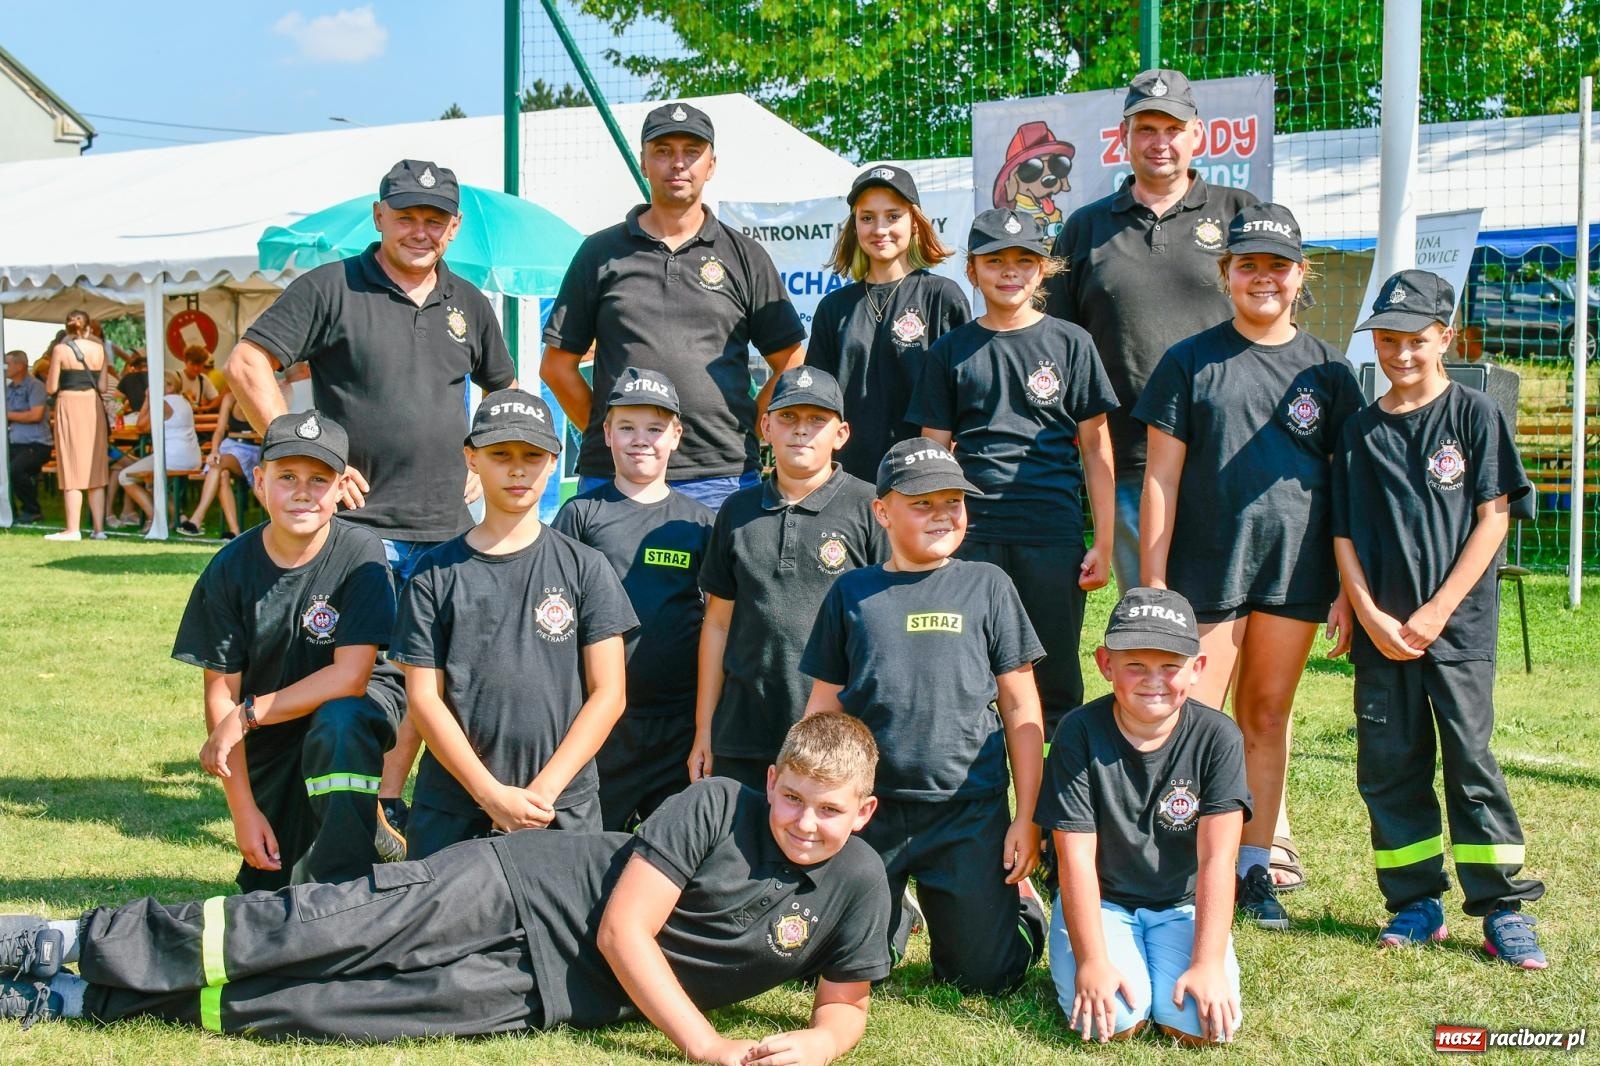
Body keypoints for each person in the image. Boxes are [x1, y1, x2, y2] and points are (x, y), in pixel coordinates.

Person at [0, 714, 893, 1061]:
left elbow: (844, 1007)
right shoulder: (718, 804)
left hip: (552, 992)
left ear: (863, 813)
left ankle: (79, 1002)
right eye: (793, 798)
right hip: (517, 887)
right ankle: (65, 941)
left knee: (331, 1009)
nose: (805, 822)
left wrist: (817, 1047)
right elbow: (625, 932)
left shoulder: (860, 883)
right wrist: (705, 1046)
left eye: (829, 810)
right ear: (771, 781)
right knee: (317, 927)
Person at [223, 158, 518, 844]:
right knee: (350, 681)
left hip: (447, 527)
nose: (420, 230)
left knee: (429, 674)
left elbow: (503, 389)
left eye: (434, 220)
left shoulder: (469, 303)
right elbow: (246, 363)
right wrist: (306, 456)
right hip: (359, 529)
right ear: (379, 217)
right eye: (406, 216)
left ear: (453, 227)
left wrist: (485, 455)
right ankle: (316, 810)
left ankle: (386, 803)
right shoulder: (332, 287)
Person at [1135, 204, 1362, 929]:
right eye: (1248, 265)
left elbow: (1347, 483)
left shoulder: (1329, 369)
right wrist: (1153, 583)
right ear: (1225, 273)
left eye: (1278, 266)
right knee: (1191, 719)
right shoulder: (1189, 361)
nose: (1263, 278)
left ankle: (1252, 864)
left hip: (1295, 573)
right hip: (1204, 572)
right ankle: (1177, 863)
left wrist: (1346, 588)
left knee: (1265, 715)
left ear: (1301, 275)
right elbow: (1160, 478)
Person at [1333, 269, 1547, 968]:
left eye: (1415, 340)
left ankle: (1501, 907)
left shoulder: (1474, 415)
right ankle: (1415, 903)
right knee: (1390, 768)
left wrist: (1437, 610)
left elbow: (1494, 518)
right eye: (1387, 340)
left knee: (1469, 761)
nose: (1400, 353)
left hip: (1456, 631)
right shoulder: (1359, 431)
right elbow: (1342, 534)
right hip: (1383, 637)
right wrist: (1368, 612)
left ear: (1444, 338)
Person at [801, 438, 1046, 993]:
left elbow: (1021, 705)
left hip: (967, 810)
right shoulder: (851, 592)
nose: (942, 515)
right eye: (922, 503)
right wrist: (813, 802)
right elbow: (823, 708)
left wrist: (1027, 816)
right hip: (871, 812)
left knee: (983, 979)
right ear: (882, 511)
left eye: (952, 502)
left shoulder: (988, 585)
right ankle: (892, 913)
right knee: (841, 970)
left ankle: (1019, 910)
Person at [391, 389, 637, 858]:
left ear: (553, 462)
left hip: (561, 805)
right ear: (472, 459)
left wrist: (544, 793)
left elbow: (610, 693)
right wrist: (489, 795)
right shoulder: (433, 573)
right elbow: (423, 698)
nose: (518, 469)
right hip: (454, 807)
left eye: (532, 456)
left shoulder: (586, 567)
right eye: (500, 455)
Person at [171, 411, 405, 891]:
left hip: (351, 708)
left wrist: (247, 715)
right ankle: (361, 827)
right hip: (271, 729)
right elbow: (220, 694)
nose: (303, 492)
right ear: (259, 481)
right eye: (287, 477)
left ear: (342, 489)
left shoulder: (360, 552)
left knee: (339, 723)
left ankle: (348, 882)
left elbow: (351, 677)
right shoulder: (229, 569)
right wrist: (243, 812)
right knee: (272, 887)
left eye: (319, 479)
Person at [1045, 69, 1259, 593]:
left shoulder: (1241, 212)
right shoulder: (1085, 228)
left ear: (1197, 135)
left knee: (1229, 612)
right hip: (1129, 459)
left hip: (1231, 452)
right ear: (1124, 136)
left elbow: (1279, 331)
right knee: (1149, 612)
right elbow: (1056, 345)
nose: (1159, 142)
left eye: (1172, 129)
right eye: (1145, 129)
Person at [908, 208, 1117, 738]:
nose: (1010, 271)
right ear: (972, 271)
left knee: (1055, 682)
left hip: (1052, 535)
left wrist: (1104, 541)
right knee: (970, 676)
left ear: (1043, 269)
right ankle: (980, 789)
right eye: (995, 260)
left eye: (1024, 260)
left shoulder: (1072, 343)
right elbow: (932, 456)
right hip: (972, 535)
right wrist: (929, 535)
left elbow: (1097, 449)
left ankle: (1053, 791)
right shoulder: (950, 351)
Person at [540, 102, 807, 510]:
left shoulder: (745, 256)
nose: (678, 163)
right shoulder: (599, 253)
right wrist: (611, 432)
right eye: (663, 151)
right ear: (643, 163)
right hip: (615, 477)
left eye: (691, 152)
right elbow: (556, 367)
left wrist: (748, 428)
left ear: (711, 165)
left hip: (721, 477)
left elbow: (790, 361)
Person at [1038, 587, 1249, 1045]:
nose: (1153, 680)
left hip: (1181, 906)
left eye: (1170, 666)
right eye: (1135, 664)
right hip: (1103, 903)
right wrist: (1093, 961)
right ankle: (1086, 947)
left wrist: (1207, 963)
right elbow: (1075, 858)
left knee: (1200, 1027)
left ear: (1197, 668)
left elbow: (1218, 859)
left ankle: (1167, 963)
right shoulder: (1078, 732)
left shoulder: (1219, 737)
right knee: (1116, 1020)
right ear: (1105, 664)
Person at [689, 367, 888, 790]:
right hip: (743, 730)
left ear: (841, 434)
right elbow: (717, 624)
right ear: (766, 427)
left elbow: (886, 628)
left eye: (817, 419)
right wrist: (705, 728)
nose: (802, 430)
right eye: (788, 417)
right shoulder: (736, 511)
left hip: (835, 734)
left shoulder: (870, 507)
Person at [553, 368, 717, 831]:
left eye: (654, 428)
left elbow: (718, 620)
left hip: (678, 723)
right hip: (602, 724)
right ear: (606, 434)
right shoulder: (581, 515)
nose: (640, 440)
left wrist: (704, 724)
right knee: (590, 852)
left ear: (676, 436)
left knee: (676, 852)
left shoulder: (699, 523)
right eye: (626, 427)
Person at [806, 164, 969, 481]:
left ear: (915, 223)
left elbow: (964, 398)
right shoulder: (833, 308)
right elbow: (817, 402)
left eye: (893, 216)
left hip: (921, 481)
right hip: (845, 479)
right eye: (867, 218)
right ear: (854, 227)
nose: (880, 229)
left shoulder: (942, 297)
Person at [179, 384, 285, 539]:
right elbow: (220, 430)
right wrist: (214, 450)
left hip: (252, 449)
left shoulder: (263, 397)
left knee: (218, 464)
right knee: (222, 474)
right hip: (230, 446)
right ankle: (234, 531)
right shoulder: (229, 398)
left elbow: (269, 430)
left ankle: (197, 518)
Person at [43, 309, 109, 541]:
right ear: (88, 328)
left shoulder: (60, 350)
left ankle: (73, 528)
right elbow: (103, 386)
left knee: (71, 464)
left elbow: (51, 387)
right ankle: (99, 530)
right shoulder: (100, 349)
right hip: (92, 405)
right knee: (96, 467)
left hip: (69, 404)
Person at [117, 371, 204, 532]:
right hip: (192, 457)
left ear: (169, 387)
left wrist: (148, 399)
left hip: (172, 457)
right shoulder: (184, 401)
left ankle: (155, 518)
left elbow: (141, 426)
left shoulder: (163, 403)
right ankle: (178, 517)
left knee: (125, 477)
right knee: (152, 482)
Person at [5, 349, 52, 525]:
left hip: (37, 443)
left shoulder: (35, 386)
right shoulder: (8, 389)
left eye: (7, 364)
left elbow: (36, 415)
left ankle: (32, 510)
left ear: (20, 366)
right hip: (14, 442)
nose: (4, 368)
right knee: (5, 469)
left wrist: (6, 415)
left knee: (15, 469)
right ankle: (10, 509)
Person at [179, 346, 222, 413]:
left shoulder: (203, 379)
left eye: (199, 365)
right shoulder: (176, 377)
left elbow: (216, 398)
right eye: (192, 364)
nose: (196, 368)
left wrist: (207, 407)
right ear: (185, 362)